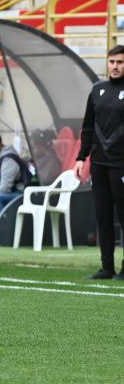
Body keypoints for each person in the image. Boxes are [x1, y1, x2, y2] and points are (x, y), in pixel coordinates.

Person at [75, 46, 124, 280]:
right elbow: (87, 128)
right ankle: (107, 268)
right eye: (112, 61)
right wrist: (81, 158)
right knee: (103, 216)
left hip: (121, 165)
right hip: (99, 165)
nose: (115, 66)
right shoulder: (97, 90)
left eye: (120, 62)